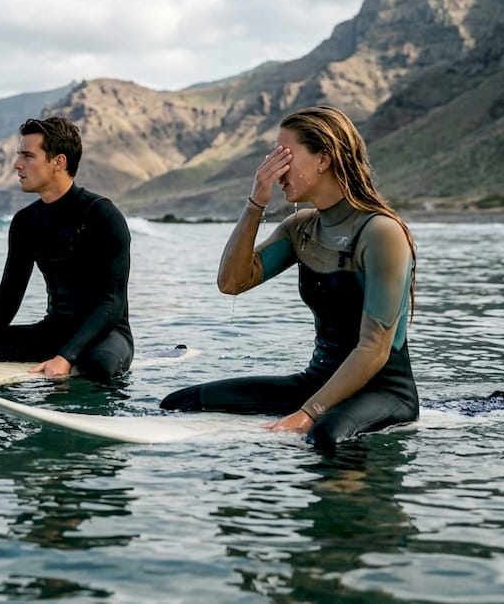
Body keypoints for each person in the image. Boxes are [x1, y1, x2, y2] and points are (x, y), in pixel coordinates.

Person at [160, 106, 418, 449]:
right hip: (316, 382)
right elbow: (231, 283)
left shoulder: (381, 232)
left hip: (383, 391)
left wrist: (308, 414)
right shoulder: (301, 229)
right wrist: (256, 201)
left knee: (322, 436)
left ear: (323, 159)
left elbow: (374, 348)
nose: (276, 170)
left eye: (284, 156)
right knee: (180, 403)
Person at [0, 116, 133, 382]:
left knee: (100, 367)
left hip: (106, 334)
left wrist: (66, 357)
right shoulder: (26, 222)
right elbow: (10, 294)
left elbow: (112, 303)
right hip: (53, 333)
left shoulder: (103, 215)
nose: (17, 165)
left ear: (58, 162)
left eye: (28, 156)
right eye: (19, 156)